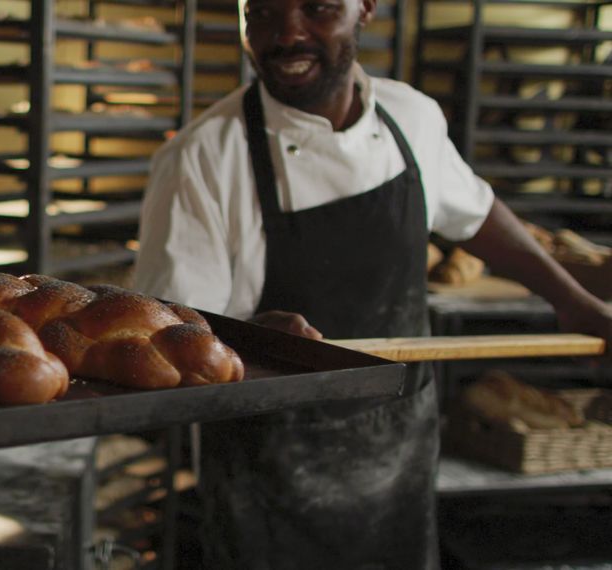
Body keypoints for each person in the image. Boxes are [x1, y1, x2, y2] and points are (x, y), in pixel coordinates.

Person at [131, 0, 612, 568]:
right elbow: (168, 334)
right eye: (260, 12)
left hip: (399, 458)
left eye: (318, 8)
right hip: (273, 479)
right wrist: (253, 341)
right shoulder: (202, 157)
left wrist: (575, 303)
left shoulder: (412, 117)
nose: (287, 33)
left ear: (366, 8)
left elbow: (475, 214)